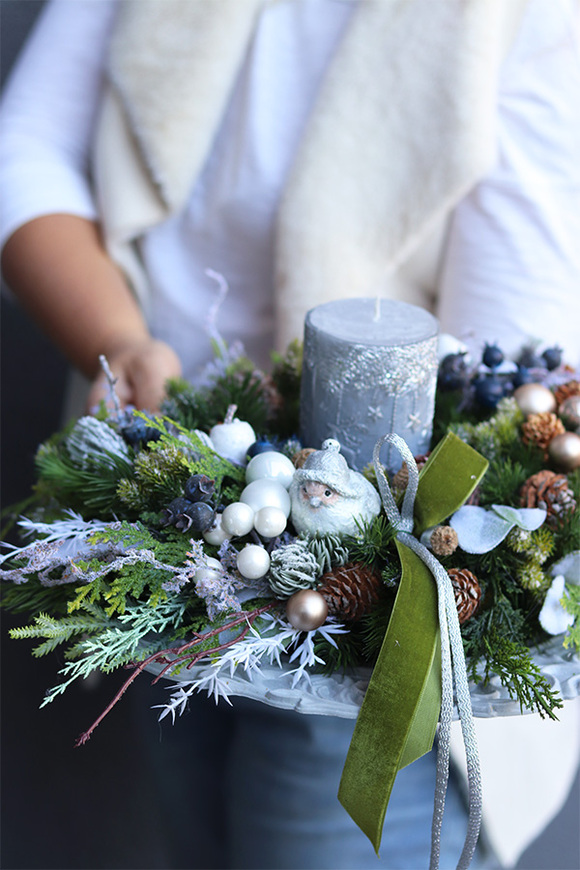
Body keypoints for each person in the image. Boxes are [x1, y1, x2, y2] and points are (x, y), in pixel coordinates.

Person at [1, 1, 579, 868]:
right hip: (175, 546)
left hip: (369, 637)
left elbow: (510, 348)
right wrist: (121, 341)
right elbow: (25, 147)